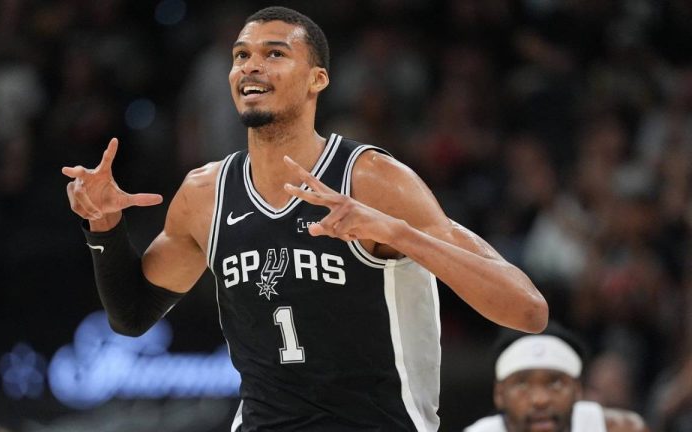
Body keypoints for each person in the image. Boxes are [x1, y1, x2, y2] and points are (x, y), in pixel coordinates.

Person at [62, 6, 548, 431]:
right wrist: (103, 226)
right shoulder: (205, 194)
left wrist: (396, 233)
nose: (251, 65)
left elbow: (527, 310)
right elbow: (131, 316)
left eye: (275, 54)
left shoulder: (373, 181)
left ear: (317, 79)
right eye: (241, 55)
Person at [464, 324, 649, 432]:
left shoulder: (619, 428)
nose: (540, 400)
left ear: (578, 390)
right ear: (499, 394)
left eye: (556, 383)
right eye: (522, 384)